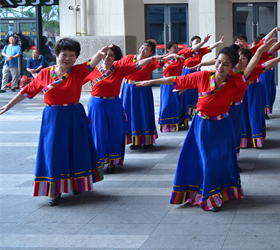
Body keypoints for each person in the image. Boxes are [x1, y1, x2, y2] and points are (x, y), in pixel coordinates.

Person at [136, 39, 276, 211]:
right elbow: (177, 79)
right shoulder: (203, 76)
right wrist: (151, 82)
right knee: (206, 160)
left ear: (232, 67)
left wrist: (260, 51)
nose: (220, 67)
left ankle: (219, 192)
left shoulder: (235, 81)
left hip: (222, 126)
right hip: (201, 125)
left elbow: (249, 69)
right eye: (219, 62)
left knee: (220, 159)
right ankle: (207, 195)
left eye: (226, 64)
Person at [0, 38, 111, 206]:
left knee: (76, 150)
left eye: (72, 55)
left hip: (74, 116)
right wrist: (9, 105)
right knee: (53, 151)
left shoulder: (78, 71)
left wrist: (100, 54)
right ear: (56, 55)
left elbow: (92, 63)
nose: (68, 58)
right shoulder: (45, 73)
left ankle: (77, 183)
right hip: (53, 117)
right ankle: (55, 190)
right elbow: (27, 90)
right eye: (64, 54)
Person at [83, 45, 155, 173]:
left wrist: (153, 58)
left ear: (115, 58)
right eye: (105, 54)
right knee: (98, 133)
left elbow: (137, 65)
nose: (107, 57)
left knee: (115, 133)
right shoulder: (92, 70)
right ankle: (98, 161)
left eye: (111, 55)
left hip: (114, 105)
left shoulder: (120, 70)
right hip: (96, 106)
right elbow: (76, 81)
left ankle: (112, 162)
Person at [159, 37, 223, 132]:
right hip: (167, 83)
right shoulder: (164, 58)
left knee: (179, 101)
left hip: (178, 80)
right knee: (167, 102)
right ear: (168, 49)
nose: (177, 49)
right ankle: (167, 124)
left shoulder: (182, 54)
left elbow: (195, 49)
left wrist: (206, 42)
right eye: (174, 48)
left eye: (177, 47)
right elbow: (156, 63)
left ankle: (179, 121)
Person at [120, 39, 165, 150]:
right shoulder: (129, 58)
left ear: (151, 53)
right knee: (129, 113)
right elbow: (117, 67)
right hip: (128, 90)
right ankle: (134, 140)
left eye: (146, 49)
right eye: (142, 48)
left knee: (143, 112)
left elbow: (163, 60)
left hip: (143, 90)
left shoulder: (151, 62)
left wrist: (172, 55)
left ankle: (146, 140)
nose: (142, 50)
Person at [181, 35, 223, 122]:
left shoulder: (200, 51)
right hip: (187, 72)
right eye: (197, 41)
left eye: (199, 41)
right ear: (191, 42)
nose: (198, 43)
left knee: (195, 93)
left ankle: (192, 112)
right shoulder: (186, 51)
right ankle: (185, 113)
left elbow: (209, 47)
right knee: (186, 92)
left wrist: (218, 42)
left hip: (196, 72)